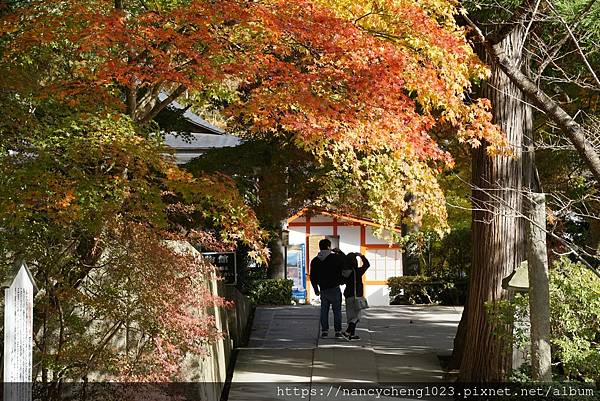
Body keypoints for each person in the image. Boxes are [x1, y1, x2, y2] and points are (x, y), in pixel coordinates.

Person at [310, 239, 345, 338]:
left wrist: (316, 289)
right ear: (329, 247)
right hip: (334, 287)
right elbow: (345, 262)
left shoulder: (315, 260)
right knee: (337, 311)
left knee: (324, 311)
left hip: (323, 289)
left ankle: (324, 331)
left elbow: (312, 276)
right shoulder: (336, 258)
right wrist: (339, 252)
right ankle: (337, 331)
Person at [341, 252, 370, 340]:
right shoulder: (357, 271)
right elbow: (367, 265)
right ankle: (347, 332)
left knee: (350, 316)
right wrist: (361, 256)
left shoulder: (344, 272)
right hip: (356, 295)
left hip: (348, 295)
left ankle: (352, 335)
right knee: (356, 317)